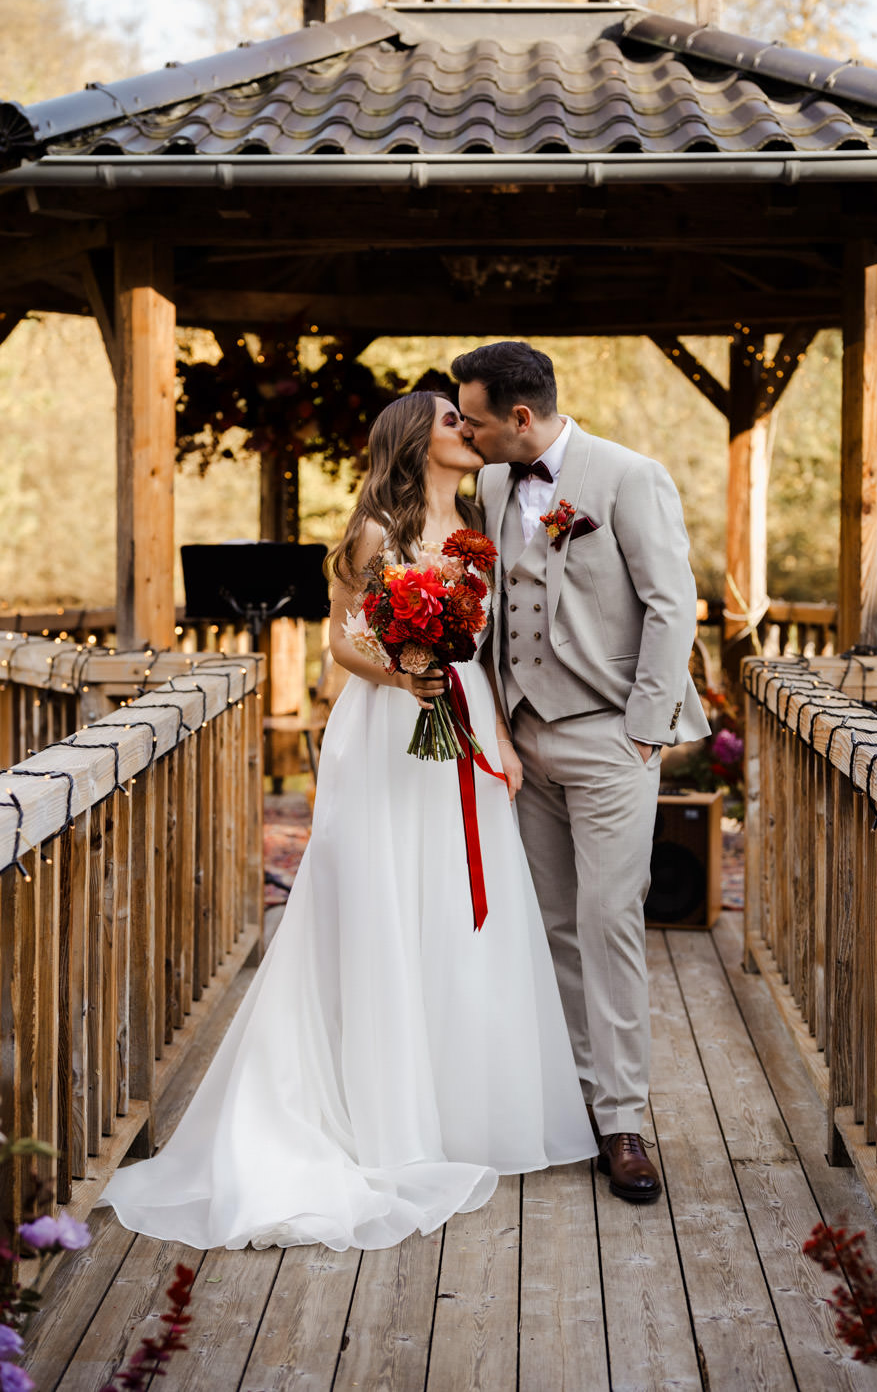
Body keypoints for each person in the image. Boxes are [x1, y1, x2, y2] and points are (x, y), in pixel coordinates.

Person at [98, 390, 596, 1252]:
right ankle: (379, 1107)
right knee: (383, 899)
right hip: (388, 726)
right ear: (415, 440)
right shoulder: (376, 531)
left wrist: (505, 741)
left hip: (468, 718)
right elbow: (338, 640)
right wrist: (399, 673)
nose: (466, 431)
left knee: (460, 902)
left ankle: (468, 1108)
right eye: (451, 421)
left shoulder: (485, 524)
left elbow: (494, 642)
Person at [454, 342, 710, 1203]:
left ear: (521, 416)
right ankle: (575, 1102)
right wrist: (495, 717)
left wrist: (644, 733)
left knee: (609, 924)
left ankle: (626, 1121)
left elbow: (675, 603)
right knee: (554, 926)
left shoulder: (630, 477)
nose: (467, 431)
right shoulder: (492, 485)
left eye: (476, 419)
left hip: (610, 743)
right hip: (524, 742)